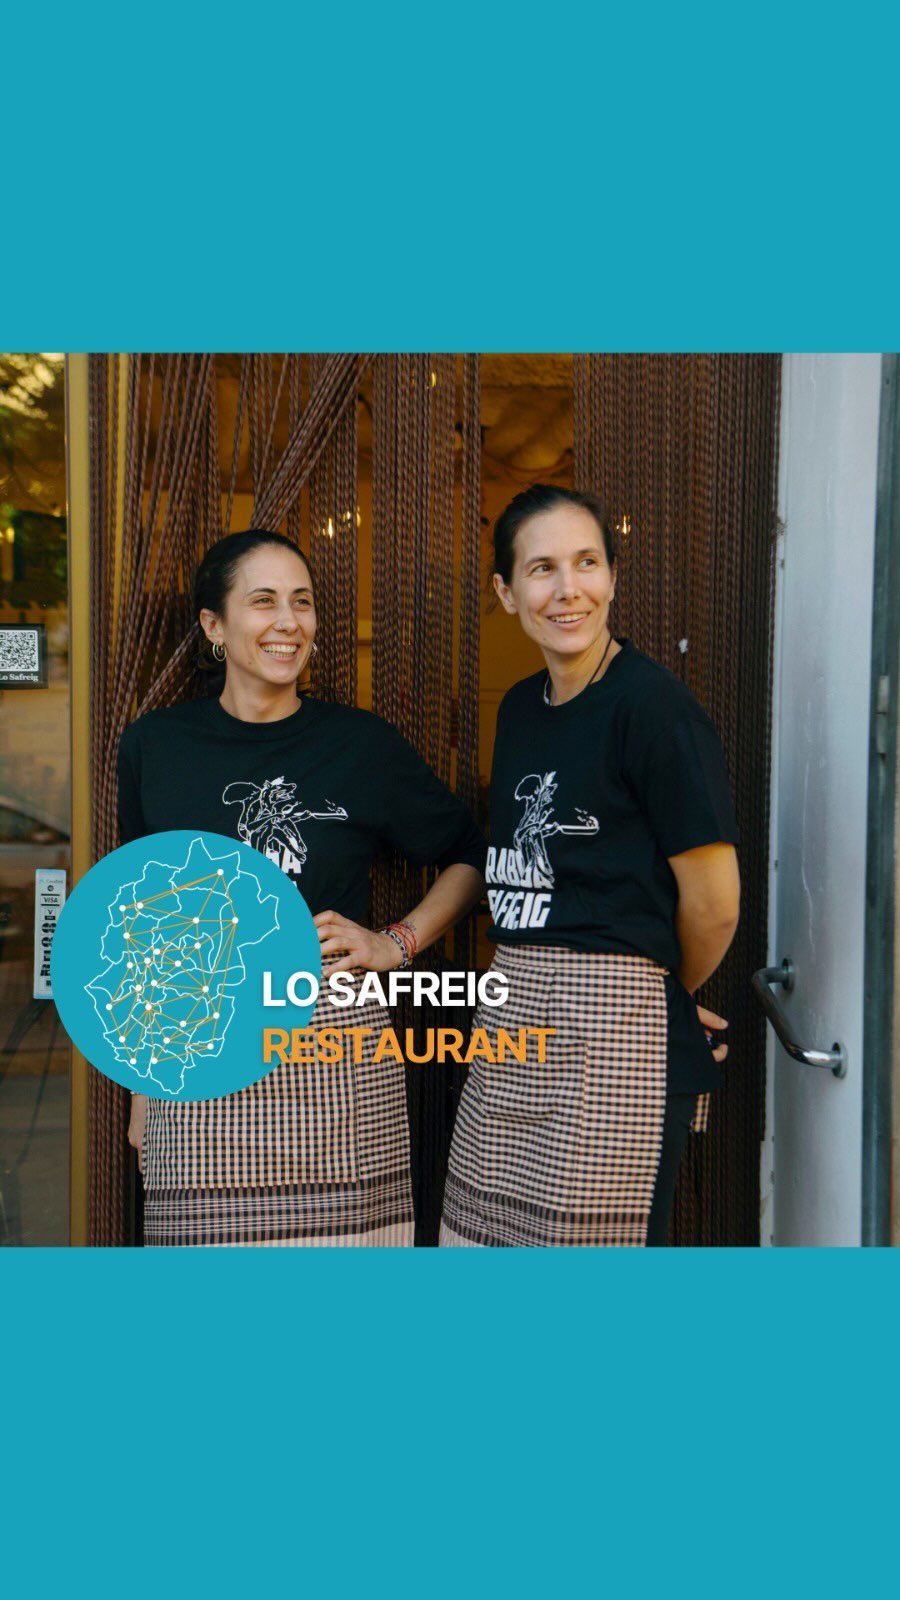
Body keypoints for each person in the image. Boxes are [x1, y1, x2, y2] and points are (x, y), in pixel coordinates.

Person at [119, 529, 485, 1247]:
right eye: (263, 601)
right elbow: (140, 920)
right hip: (200, 1046)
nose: (288, 622)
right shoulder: (155, 746)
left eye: (303, 602)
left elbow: (469, 856)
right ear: (214, 625)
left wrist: (396, 942)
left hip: (335, 1061)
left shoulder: (361, 746)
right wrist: (142, 1087)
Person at [440, 485, 740, 1248]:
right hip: (515, 1019)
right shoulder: (520, 708)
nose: (568, 589)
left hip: (615, 1036)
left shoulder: (655, 711)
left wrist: (655, 996)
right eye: (542, 569)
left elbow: (715, 905)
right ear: (506, 592)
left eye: (587, 563)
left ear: (612, 576)